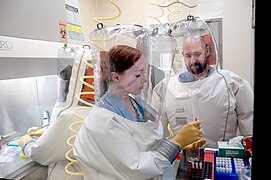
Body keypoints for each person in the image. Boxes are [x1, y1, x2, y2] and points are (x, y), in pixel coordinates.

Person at [73, 44, 206, 180]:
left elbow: (145, 143)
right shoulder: (103, 121)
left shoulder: (134, 104)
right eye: (137, 74)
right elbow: (137, 167)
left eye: (145, 72)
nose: (144, 79)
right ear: (116, 77)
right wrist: (176, 142)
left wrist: (177, 144)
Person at [153, 27, 254, 149]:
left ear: (207, 51)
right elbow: (156, 130)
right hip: (183, 158)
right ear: (182, 55)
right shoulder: (167, 87)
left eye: (197, 54)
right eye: (188, 56)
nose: (193, 61)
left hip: (222, 155)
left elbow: (249, 120)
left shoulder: (231, 82)